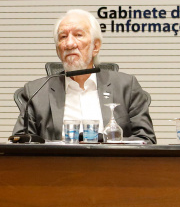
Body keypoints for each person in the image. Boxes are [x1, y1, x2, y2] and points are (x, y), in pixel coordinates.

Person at [13, 9, 156, 143]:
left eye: (78, 35)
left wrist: (106, 142)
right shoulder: (36, 91)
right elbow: (21, 143)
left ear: (95, 47)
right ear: (58, 49)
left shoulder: (126, 86)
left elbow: (146, 139)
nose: (69, 43)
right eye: (63, 37)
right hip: (57, 167)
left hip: (112, 166)